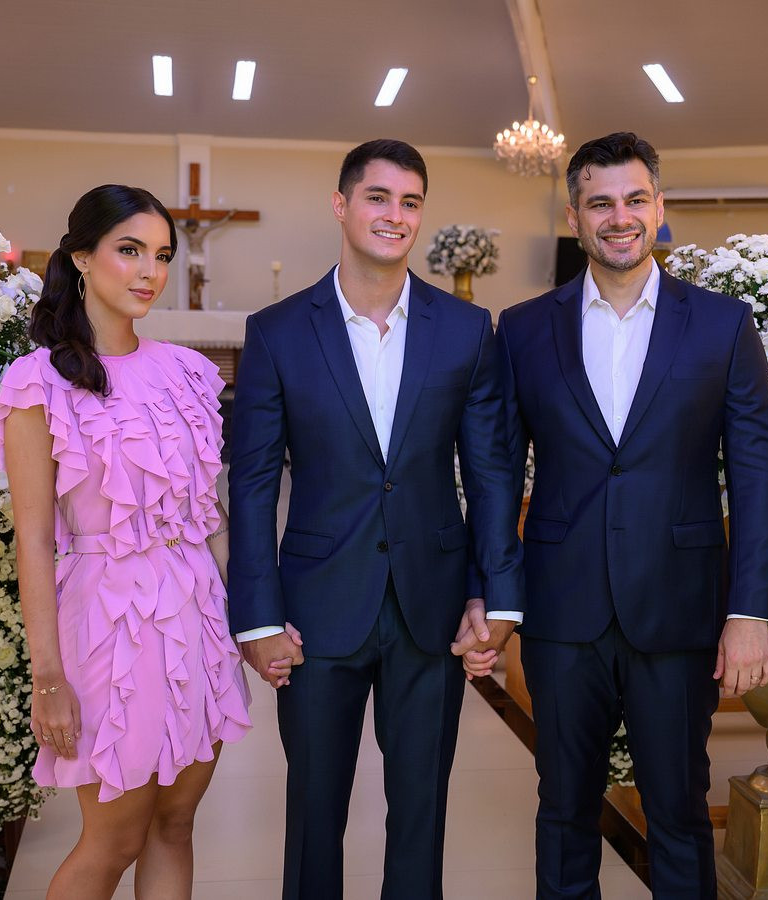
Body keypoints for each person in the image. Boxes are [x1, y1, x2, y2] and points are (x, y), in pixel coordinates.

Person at [483, 132, 768, 898]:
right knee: (563, 808)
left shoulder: (721, 324)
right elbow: (495, 473)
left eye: (634, 199)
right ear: (574, 217)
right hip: (560, 608)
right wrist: (495, 596)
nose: (618, 216)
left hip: (679, 607)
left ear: (658, 206)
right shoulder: (523, 328)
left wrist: (748, 611)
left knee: (678, 810)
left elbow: (756, 475)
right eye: (599, 203)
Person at [226, 139, 524, 900]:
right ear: (341, 205)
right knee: (313, 811)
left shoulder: (465, 329)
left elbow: (491, 474)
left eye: (411, 202)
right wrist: (256, 616)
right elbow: (252, 483)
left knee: (422, 811)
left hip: (432, 603)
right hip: (315, 608)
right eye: (378, 197)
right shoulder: (277, 331)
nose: (396, 215)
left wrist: (495, 595)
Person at [0, 184, 265, 899]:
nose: (149, 271)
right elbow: (33, 542)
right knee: (113, 840)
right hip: (108, 626)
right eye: (130, 250)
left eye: (162, 255)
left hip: (194, 617)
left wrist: (249, 621)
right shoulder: (37, 383)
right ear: (82, 257)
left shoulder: (187, 372)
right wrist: (48, 679)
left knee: (175, 825)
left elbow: (209, 518)